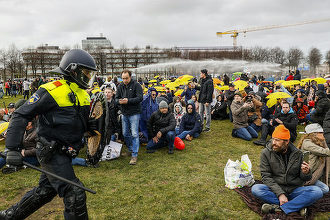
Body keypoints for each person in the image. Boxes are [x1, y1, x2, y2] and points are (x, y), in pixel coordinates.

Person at [0, 49, 98, 220]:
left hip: (66, 152)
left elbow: (77, 122)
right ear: (72, 70)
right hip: (51, 151)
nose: (89, 77)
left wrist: (91, 129)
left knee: (45, 191)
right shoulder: (51, 89)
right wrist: (12, 148)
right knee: (74, 193)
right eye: (86, 72)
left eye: (90, 73)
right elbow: (21, 114)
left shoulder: (83, 95)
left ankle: (9, 216)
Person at [251, 125, 323, 215]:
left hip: (294, 190)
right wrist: (280, 194)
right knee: (256, 189)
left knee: (317, 191)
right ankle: (297, 205)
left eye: (277, 140)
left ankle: (280, 208)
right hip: (275, 189)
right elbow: (266, 177)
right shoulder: (266, 153)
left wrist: (306, 172)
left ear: (286, 141)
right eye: (273, 139)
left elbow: (306, 178)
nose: (273, 142)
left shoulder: (298, 154)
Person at [115, 69, 143, 165]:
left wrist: (128, 100)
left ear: (130, 77)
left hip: (134, 113)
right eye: (123, 78)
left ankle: (134, 155)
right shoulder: (120, 86)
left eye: (126, 78)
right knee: (125, 133)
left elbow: (140, 98)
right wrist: (119, 101)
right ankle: (131, 149)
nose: (125, 80)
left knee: (135, 134)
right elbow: (116, 99)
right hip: (124, 113)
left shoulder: (136, 85)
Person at [297, 123, 329, 194]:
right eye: (320, 132)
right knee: (323, 190)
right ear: (314, 134)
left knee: (325, 189)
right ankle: (302, 189)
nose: (323, 133)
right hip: (305, 175)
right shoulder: (308, 144)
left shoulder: (317, 142)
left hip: (312, 174)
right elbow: (325, 152)